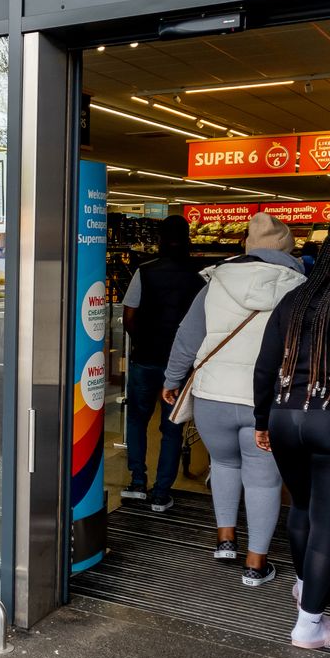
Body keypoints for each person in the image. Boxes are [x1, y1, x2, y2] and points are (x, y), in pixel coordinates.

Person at [162, 212, 306, 587]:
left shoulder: (217, 280)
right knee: (263, 481)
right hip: (265, 401)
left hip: (213, 395)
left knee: (224, 465)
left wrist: (172, 378)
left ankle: (225, 540)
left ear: (246, 246)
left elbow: (188, 336)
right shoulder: (300, 287)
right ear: (289, 250)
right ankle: (256, 564)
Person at [253, 223, 330, 649]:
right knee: (329, 520)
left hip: (285, 416)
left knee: (300, 505)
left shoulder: (294, 300)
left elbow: (265, 367)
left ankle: (305, 587)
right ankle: (309, 624)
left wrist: (261, 420)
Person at [119, 215, 205, 511]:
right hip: (180, 364)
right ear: (188, 238)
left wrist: (142, 341)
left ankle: (137, 482)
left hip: (146, 358)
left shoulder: (144, 272)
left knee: (137, 419)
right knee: (172, 428)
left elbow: (129, 316)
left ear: (158, 239)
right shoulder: (200, 277)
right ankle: (161, 493)